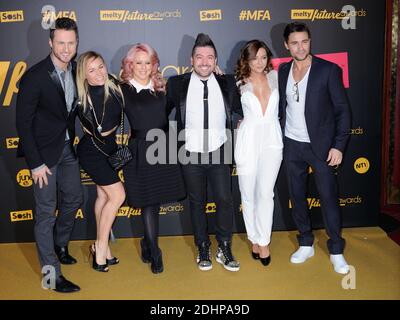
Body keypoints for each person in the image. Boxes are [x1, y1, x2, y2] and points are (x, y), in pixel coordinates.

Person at [278, 22, 351, 274]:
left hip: (320, 147)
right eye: (295, 42)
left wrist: (338, 145)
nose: (301, 47)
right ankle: (306, 243)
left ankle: (336, 250)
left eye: (305, 41)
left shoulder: (328, 70)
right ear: (287, 45)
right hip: (292, 144)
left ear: (310, 42)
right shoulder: (283, 70)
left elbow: (343, 111)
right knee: (297, 197)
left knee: (329, 198)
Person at [16, 17, 82, 292]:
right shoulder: (35, 76)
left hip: (67, 149)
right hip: (43, 156)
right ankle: (50, 275)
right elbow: (23, 123)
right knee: (45, 213)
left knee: (75, 198)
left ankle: (60, 245)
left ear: (76, 43)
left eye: (71, 43)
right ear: (50, 43)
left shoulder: (77, 71)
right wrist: (36, 164)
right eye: (61, 43)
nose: (66, 49)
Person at [166, 33, 243, 272]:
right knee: (197, 203)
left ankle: (224, 247)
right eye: (199, 57)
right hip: (190, 153)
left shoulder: (228, 82)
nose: (204, 62)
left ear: (216, 60)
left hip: (220, 150)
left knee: (225, 201)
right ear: (191, 59)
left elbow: (242, 109)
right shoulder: (176, 84)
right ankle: (202, 247)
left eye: (210, 57)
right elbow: (160, 112)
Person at [120, 43, 186, 274]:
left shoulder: (164, 86)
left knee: (154, 202)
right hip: (139, 149)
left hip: (162, 147)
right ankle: (155, 250)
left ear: (154, 64)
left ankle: (147, 243)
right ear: (130, 64)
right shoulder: (122, 89)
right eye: (138, 62)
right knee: (147, 202)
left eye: (147, 62)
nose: (143, 67)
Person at [75, 51, 126, 272]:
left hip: (110, 149)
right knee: (118, 195)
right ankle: (100, 247)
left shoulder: (113, 84)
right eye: (92, 70)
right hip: (91, 151)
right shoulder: (79, 96)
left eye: (101, 66)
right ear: (83, 74)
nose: (98, 73)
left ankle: (103, 250)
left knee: (104, 196)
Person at [234, 40, 283, 266]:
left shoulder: (275, 77)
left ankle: (263, 241)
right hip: (248, 140)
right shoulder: (237, 81)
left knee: (266, 193)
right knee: (247, 194)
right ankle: (253, 237)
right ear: (247, 60)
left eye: (263, 57)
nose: (259, 62)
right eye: (254, 58)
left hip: (272, 139)